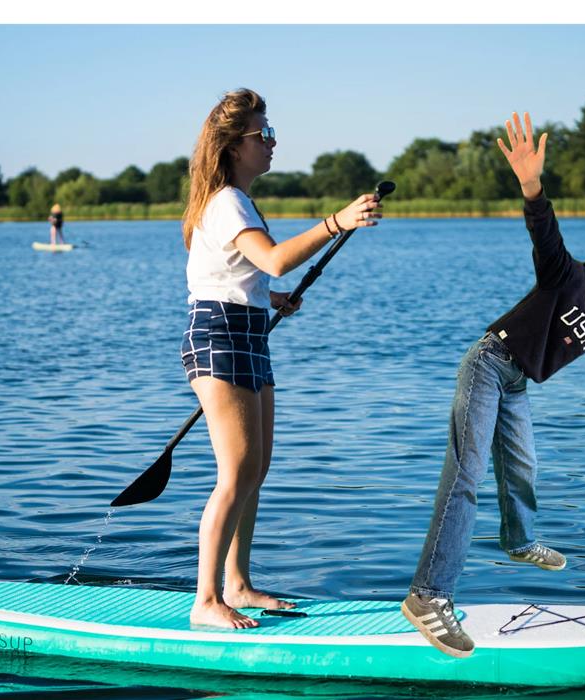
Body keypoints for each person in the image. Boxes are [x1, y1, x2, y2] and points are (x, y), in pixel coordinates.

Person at [401, 112, 585, 659]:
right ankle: (427, 595)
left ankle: (518, 539)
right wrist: (531, 182)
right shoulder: (569, 276)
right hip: (489, 364)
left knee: (523, 469)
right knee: (466, 477)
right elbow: (544, 227)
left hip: (515, 384)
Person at [181, 88, 383, 629]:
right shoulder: (225, 201)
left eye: (270, 132)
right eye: (262, 135)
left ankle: (238, 585)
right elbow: (270, 260)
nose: (272, 143)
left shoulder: (240, 202)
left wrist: (270, 300)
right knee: (237, 472)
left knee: (257, 470)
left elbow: (228, 274)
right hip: (219, 338)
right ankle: (206, 600)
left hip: (246, 331)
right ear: (233, 146)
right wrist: (336, 222)